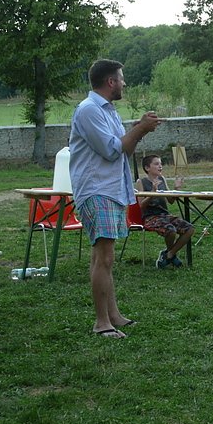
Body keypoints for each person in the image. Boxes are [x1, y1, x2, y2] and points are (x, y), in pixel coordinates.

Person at [70, 59, 161, 339]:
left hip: (109, 190)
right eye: (121, 79)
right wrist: (141, 129)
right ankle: (101, 323)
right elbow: (112, 150)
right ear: (110, 82)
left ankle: (113, 315)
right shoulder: (89, 111)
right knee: (105, 257)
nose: (124, 83)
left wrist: (137, 130)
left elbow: (124, 149)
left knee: (102, 255)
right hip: (97, 190)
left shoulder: (108, 111)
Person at [135, 154, 195, 269]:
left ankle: (169, 254)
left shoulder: (162, 179)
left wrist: (176, 189)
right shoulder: (141, 181)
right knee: (171, 230)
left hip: (164, 215)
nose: (160, 166)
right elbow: (141, 206)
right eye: (156, 164)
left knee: (189, 229)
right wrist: (152, 192)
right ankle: (171, 256)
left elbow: (170, 200)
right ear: (147, 168)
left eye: (161, 164)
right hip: (150, 217)